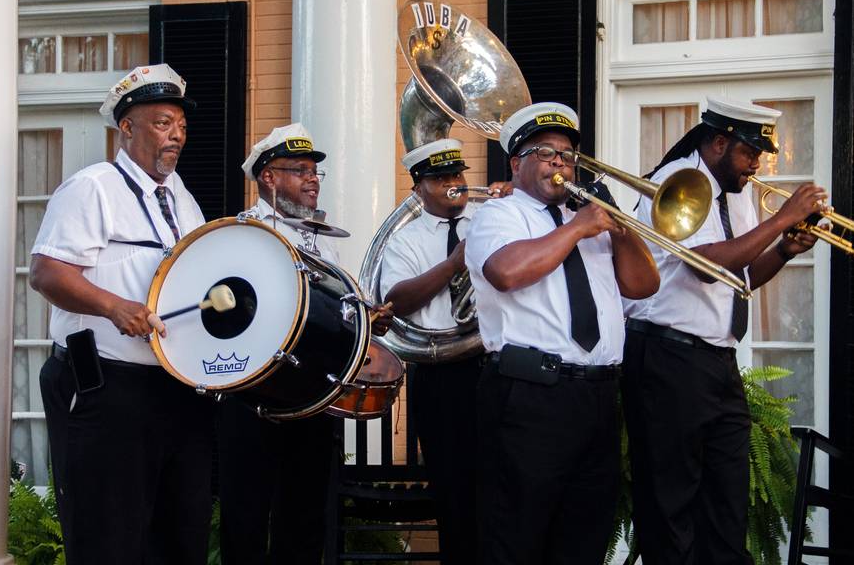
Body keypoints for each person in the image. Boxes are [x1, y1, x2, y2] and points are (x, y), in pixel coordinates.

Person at [622, 96, 826, 565]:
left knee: (727, 502)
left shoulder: (738, 191)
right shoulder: (674, 184)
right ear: (718, 142)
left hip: (716, 362)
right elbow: (707, 265)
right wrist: (783, 219)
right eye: (749, 153)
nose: (755, 165)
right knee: (670, 506)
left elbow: (742, 276)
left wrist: (785, 249)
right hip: (666, 358)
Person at [31, 64, 213, 564]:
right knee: (108, 540)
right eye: (161, 123)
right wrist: (114, 308)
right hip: (106, 391)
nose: (175, 135)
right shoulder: (92, 188)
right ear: (126, 127)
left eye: (180, 125)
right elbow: (47, 273)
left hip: (177, 390)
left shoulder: (184, 199)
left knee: (180, 538)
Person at [465, 102, 660, 565]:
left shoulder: (590, 223)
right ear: (516, 163)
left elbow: (643, 285)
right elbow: (507, 272)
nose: (559, 162)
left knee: (583, 539)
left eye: (567, 154)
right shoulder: (500, 215)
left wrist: (622, 230)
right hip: (531, 397)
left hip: (596, 399)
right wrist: (578, 227)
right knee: (517, 537)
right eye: (545, 152)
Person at [219, 122, 392, 565]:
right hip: (254, 396)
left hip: (312, 397)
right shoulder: (244, 234)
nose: (312, 179)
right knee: (248, 518)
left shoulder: (321, 240)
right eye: (300, 170)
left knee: (306, 518)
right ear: (268, 178)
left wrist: (364, 323)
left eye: (315, 171)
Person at [379, 138, 509, 565]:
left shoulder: (491, 218)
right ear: (418, 187)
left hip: (493, 365)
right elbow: (396, 298)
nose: (454, 184)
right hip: (440, 377)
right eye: (440, 178)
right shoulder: (406, 240)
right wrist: (453, 265)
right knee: (453, 496)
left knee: (502, 488)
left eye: (457, 175)